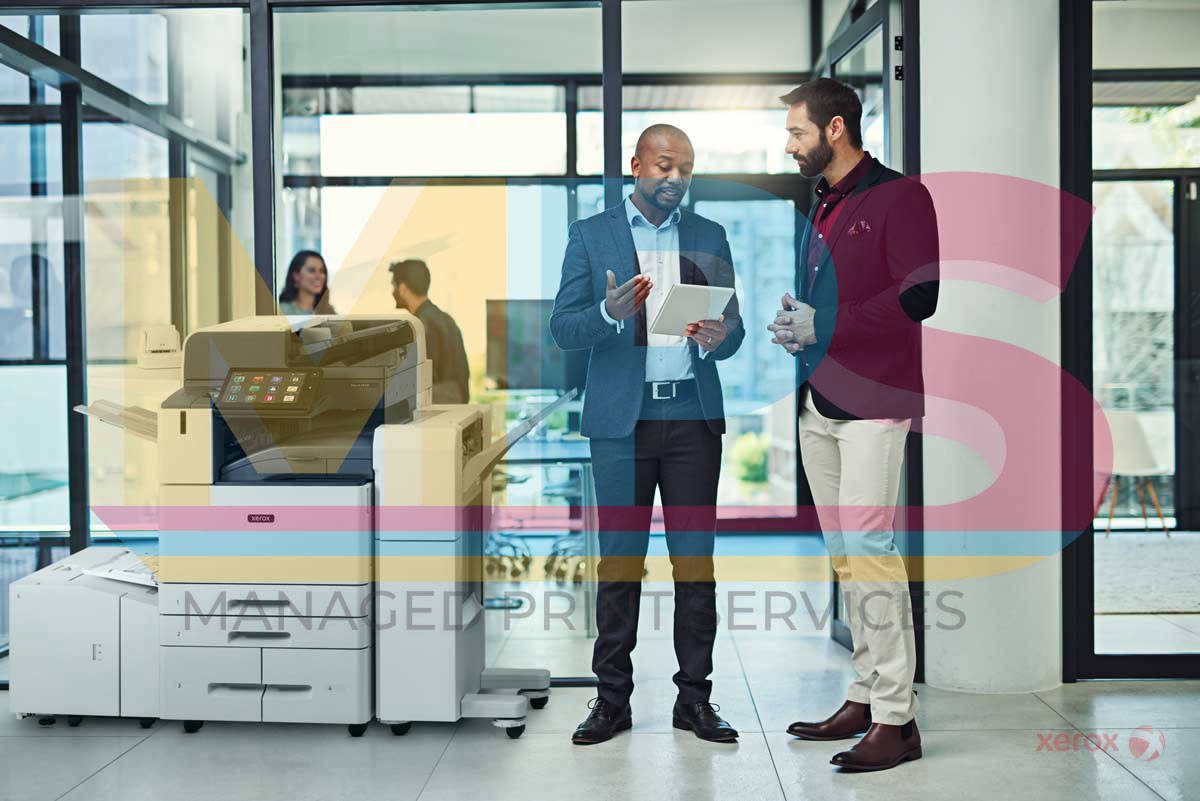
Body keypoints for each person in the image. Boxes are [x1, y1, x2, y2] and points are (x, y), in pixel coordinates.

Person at [550, 124, 744, 746]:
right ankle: (612, 701)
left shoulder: (709, 235)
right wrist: (610, 313)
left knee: (695, 565)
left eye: (685, 168)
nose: (675, 178)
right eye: (664, 165)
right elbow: (563, 328)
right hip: (620, 425)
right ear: (636, 165)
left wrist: (720, 337)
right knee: (620, 565)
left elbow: (733, 328)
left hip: (691, 419)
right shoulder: (591, 235)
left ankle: (695, 699)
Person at [768, 78, 939, 772]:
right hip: (819, 399)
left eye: (797, 132)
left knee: (871, 555)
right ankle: (867, 693)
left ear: (835, 129)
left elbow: (921, 293)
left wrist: (827, 320)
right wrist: (799, 324)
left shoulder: (902, 196)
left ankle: (897, 720)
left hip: (874, 403)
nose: (790, 144)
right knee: (847, 559)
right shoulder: (824, 202)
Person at [389, 259, 470, 404]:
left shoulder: (420, 326)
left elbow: (424, 378)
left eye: (393, 286)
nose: (392, 292)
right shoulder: (446, 319)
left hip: (437, 413)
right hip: (455, 409)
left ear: (403, 289)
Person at [279, 250, 335, 314]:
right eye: (312, 270)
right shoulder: (282, 311)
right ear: (296, 275)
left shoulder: (330, 313)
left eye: (322, 271)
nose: (318, 276)